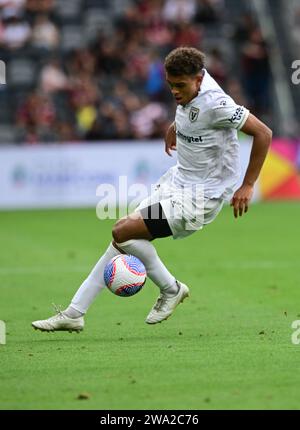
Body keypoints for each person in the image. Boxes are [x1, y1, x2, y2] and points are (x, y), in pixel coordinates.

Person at [32, 47, 272, 332]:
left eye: (180, 86)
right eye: (171, 85)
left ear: (199, 79)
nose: (174, 92)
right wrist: (176, 125)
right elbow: (192, 110)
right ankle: (74, 313)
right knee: (121, 241)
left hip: (200, 197)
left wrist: (247, 184)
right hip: (177, 182)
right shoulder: (192, 89)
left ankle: (171, 288)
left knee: (122, 231)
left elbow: (263, 133)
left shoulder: (217, 103)